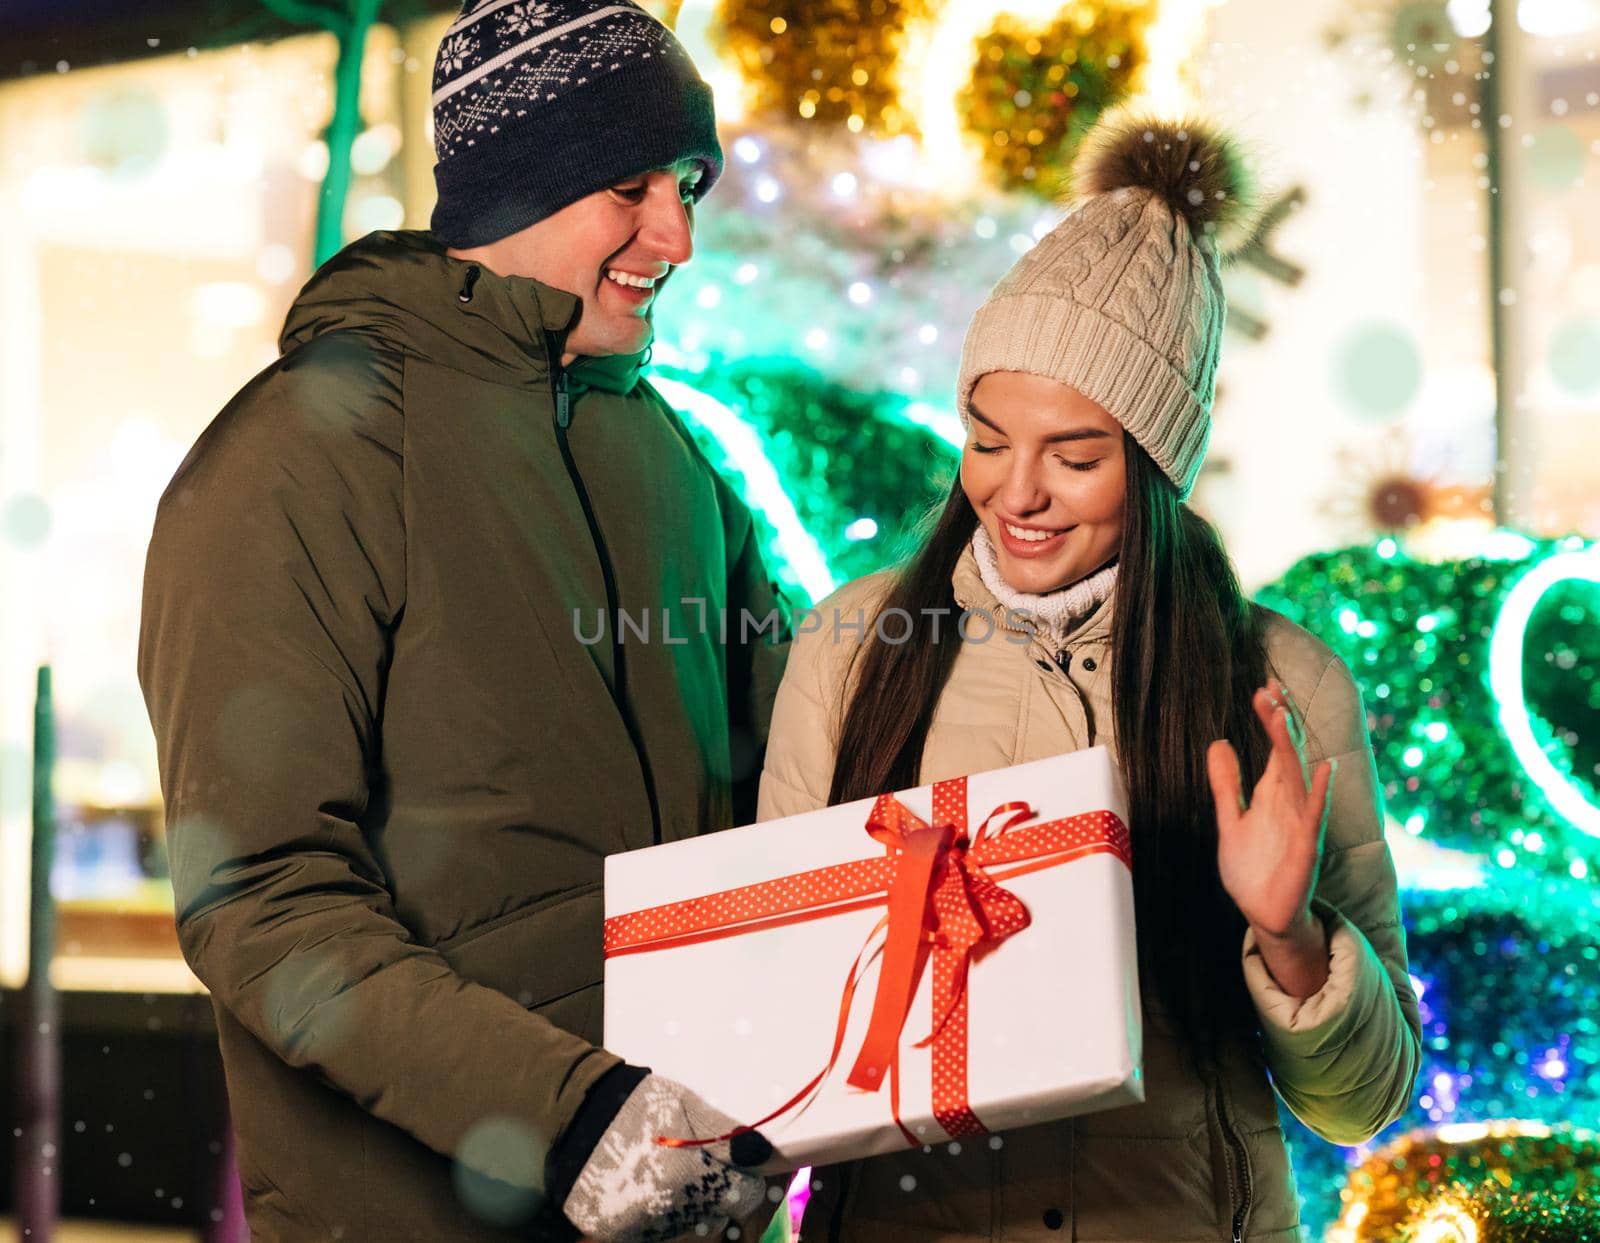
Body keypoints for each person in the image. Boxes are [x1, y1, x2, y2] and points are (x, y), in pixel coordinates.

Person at [138, 2, 785, 1239]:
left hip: (679, 1201)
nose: (678, 236)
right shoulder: (305, 455)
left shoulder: (673, 464)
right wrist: (571, 1115)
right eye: (632, 187)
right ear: (513, 191)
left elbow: (784, 787)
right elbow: (261, 901)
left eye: (689, 185)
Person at [758, 114, 1421, 1242]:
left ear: (1158, 468)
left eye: (1073, 457)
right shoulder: (854, 644)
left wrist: (1290, 937)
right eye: (983, 439)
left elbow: (1361, 1101)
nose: (1015, 494)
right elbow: (773, 1031)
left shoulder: (1280, 684)